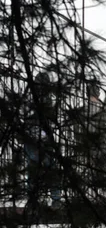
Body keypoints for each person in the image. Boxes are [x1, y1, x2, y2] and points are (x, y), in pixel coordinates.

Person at [24, 72, 61, 208]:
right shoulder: (47, 100)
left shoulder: (29, 98)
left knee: (33, 171)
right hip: (43, 140)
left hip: (31, 139)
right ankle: (55, 199)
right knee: (51, 170)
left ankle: (33, 198)